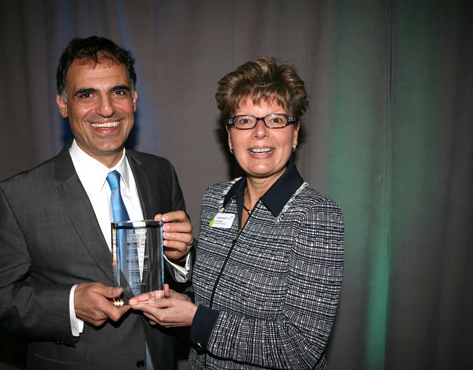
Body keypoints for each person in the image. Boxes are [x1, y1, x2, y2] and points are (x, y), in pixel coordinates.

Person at [0, 36, 194, 370]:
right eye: (87, 94)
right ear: (63, 104)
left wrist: (181, 257)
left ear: (135, 99)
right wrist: (70, 305)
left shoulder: (160, 172)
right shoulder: (18, 196)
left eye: (118, 91)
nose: (106, 108)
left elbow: (178, 277)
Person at [130, 57, 345, 369]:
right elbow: (208, 294)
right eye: (244, 120)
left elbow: (300, 348)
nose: (259, 133)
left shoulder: (317, 216)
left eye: (275, 120)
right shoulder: (216, 199)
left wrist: (195, 320)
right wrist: (179, 282)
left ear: (295, 134)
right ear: (230, 137)